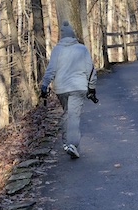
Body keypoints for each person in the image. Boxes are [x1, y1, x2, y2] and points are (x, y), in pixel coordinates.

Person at [40, 20, 98, 159]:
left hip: (61, 88)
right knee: (73, 115)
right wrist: (92, 88)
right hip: (78, 87)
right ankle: (72, 144)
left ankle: (67, 143)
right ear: (73, 36)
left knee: (68, 113)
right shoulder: (82, 49)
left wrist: (44, 85)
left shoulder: (57, 50)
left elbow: (51, 70)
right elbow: (90, 70)